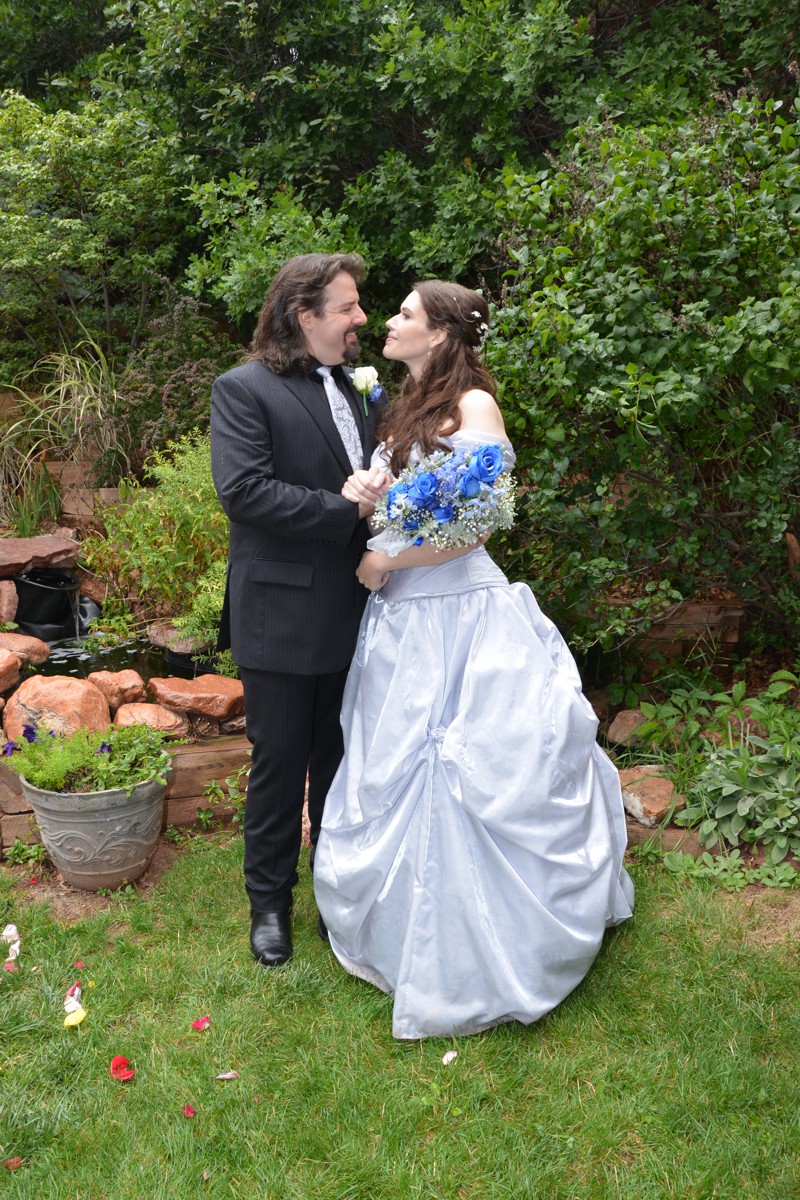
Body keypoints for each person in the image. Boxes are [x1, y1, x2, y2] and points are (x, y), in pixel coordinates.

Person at [313, 281, 634, 1039]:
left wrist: (390, 564)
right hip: (403, 624)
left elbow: (480, 528)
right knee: (396, 765)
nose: (387, 323)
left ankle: (496, 947)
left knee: (471, 769)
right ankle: (400, 933)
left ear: (442, 334)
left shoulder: (476, 409)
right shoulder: (401, 407)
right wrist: (368, 494)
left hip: (462, 615)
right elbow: (404, 499)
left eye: (403, 315)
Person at [210, 252, 386, 968]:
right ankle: (270, 906)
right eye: (347, 307)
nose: (361, 319)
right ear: (302, 315)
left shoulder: (360, 388)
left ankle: (336, 893)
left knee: (342, 759)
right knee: (282, 765)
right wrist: (341, 507)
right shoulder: (243, 390)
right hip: (279, 617)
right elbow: (244, 492)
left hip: (359, 608)